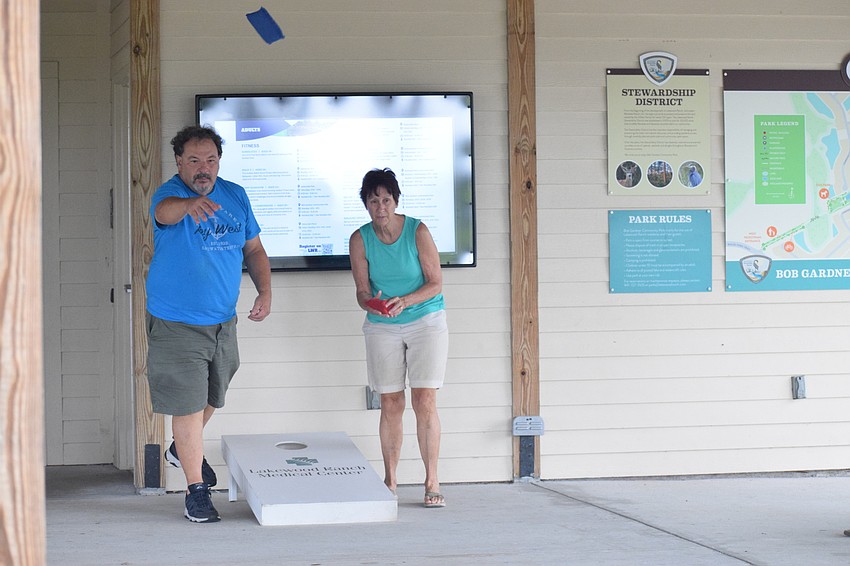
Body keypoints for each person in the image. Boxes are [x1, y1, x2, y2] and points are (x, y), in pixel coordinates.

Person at [145, 125, 272, 523]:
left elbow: (253, 248)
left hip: (223, 322)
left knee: (212, 397)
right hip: (177, 322)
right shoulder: (170, 195)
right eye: (195, 161)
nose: (204, 168)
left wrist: (265, 291)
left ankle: (179, 448)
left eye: (211, 160)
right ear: (179, 162)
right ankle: (196, 491)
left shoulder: (235, 195)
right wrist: (187, 207)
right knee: (185, 405)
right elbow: (164, 213)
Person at [349, 168, 448, 508]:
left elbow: (436, 282)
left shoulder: (417, 230)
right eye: (373, 201)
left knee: (425, 400)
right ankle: (390, 481)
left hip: (425, 318)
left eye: (386, 200)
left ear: (396, 201)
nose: (381, 208)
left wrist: (406, 300)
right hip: (382, 323)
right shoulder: (360, 239)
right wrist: (372, 303)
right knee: (390, 402)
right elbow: (361, 292)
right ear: (366, 204)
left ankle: (432, 480)